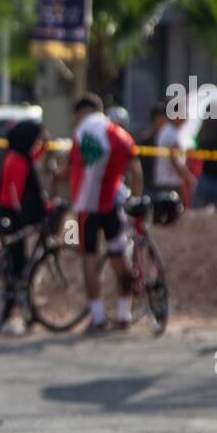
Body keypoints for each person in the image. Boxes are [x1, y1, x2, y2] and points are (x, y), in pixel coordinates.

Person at [69, 93, 143, 333]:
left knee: (89, 259)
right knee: (119, 258)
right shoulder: (119, 135)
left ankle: (98, 317)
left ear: (83, 111)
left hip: (87, 209)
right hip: (113, 205)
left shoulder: (81, 133)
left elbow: (71, 167)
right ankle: (123, 314)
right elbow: (136, 171)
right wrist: (134, 198)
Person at [0, 119, 48, 288]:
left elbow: (34, 155)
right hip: (10, 212)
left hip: (10, 210)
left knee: (18, 253)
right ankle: (12, 292)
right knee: (16, 257)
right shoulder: (16, 160)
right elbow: (14, 192)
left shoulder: (19, 155)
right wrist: (23, 213)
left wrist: (44, 144)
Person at [149, 100, 196, 208]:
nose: (186, 116)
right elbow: (175, 160)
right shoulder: (171, 134)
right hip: (169, 184)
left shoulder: (170, 131)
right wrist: (189, 178)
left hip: (166, 183)